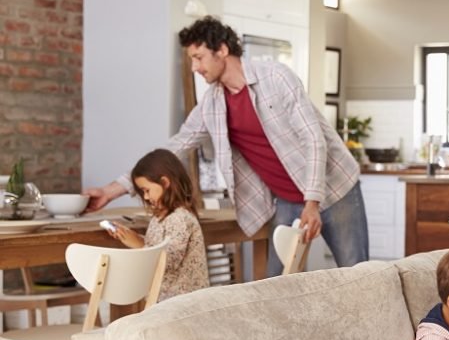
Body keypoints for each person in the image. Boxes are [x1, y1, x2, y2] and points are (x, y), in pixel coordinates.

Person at [85, 16, 369, 276]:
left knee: (358, 275)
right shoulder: (212, 103)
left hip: (334, 188)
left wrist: (312, 202)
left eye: (199, 57)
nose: (195, 67)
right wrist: (111, 191)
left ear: (221, 49)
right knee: (276, 285)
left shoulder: (276, 78)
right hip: (287, 198)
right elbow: (175, 147)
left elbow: (313, 139)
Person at [102, 148, 209, 301]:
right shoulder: (160, 217)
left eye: (147, 190)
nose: (145, 196)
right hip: (164, 302)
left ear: (165, 183)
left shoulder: (180, 218)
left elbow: (168, 261)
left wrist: (139, 245)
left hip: (182, 305)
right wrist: (132, 237)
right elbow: (158, 245)